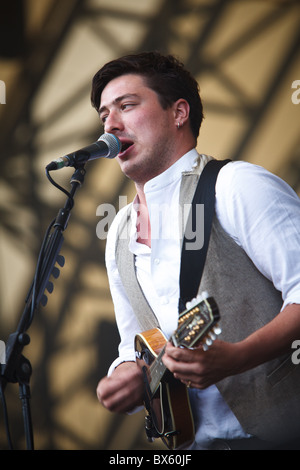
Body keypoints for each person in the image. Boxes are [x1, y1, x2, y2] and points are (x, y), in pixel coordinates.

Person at [91, 51, 300, 450]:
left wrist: (237, 357)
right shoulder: (118, 231)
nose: (111, 124)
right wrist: (126, 375)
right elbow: (135, 342)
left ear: (179, 112)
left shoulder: (237, 185)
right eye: (104, 116)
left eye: (127, 106)